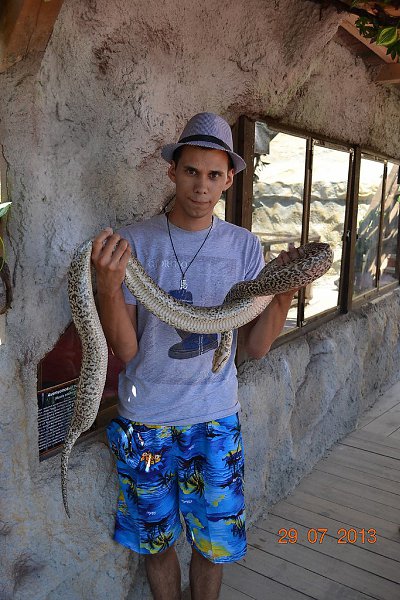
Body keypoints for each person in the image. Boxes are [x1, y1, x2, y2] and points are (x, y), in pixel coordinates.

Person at [91, 113, 303, 600]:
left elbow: (254, 347)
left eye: (213, 174)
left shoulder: (244, 248)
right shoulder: (132, 243)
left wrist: (284, 294)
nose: (201, 186)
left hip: (216, 422)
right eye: (191, 171)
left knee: (213, 545)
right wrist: (108, 287)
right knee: (157, 544)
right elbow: (126, 349)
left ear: (229, 180)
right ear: (172, 171)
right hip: (147, 421)